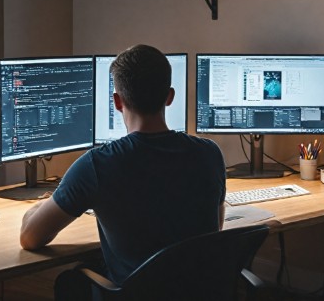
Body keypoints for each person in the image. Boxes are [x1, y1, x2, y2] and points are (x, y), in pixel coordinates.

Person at [20, 44, 226, 300]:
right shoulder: (209, 154)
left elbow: (30, 238)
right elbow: (213, 230)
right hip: (199, 293)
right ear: (170, 96)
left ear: (117, 101)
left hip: (137, 293)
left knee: (71, 281)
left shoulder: (96, 165)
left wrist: (36, 209)